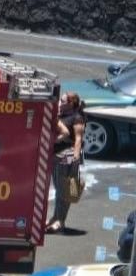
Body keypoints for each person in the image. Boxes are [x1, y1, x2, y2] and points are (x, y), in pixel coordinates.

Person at [46, 92, 86, 233]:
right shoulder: (62, 115)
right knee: (59, 190)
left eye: (63, 101)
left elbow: (78, 139)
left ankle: (60, 221)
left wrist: (75, 159)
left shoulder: (77, 118)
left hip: (67, 158)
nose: (60, 103)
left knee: (65, 191)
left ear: (71, 104)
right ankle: (55, 218)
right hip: (57, 157)